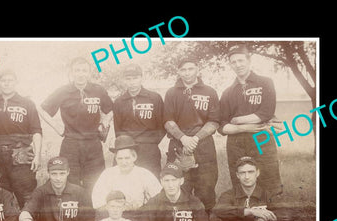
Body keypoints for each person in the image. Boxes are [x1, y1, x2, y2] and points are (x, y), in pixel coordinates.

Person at [39, 57, 113, 194]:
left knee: (95, 183)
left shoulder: (98, 90)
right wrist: (57, 127)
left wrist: (106, 121)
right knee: (71, 183)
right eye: (77, 70)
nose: (80, 74)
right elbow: (42, 109)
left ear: (89, 73)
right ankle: (73, 214)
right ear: (71, 73)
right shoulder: (63, 91)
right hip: (71, 143)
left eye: (84, 70)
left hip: (93, 143)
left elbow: (111, 109)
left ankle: (91, 214)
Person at [219, 44, 283, 196]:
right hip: (236, 143)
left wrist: (236, 120)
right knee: (241, 181)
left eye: (241, 60)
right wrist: (244, 127)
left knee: (269, 178)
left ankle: (271, 217)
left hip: (261, 138)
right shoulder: (227, 92)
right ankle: (245, 217)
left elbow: (266, 113)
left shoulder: (265, 82)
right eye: (233, 62)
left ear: (249, 60)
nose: (238, 65)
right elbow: (221, 125)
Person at [163, 57, 221, 212]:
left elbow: (214, 121)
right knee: (180, 187)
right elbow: (168, 121)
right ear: (178, 71)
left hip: (204, 146)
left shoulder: (210, 91)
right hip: (178, 145)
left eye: (190, 69)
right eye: (183, 69)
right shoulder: (171, 93)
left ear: (198, 69)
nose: (187, 73)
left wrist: (195, 138)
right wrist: (183, 138)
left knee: (206, 189)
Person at [0, 68, 42, 208]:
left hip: (20, 154)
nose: (7, 83)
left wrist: (37, 156)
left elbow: (37, 131)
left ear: (16, 82)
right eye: (3, 80)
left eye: (10, 80)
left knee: (26, 196)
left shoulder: (27, 103)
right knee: (1, 195)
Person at [113, 63, 165, 177]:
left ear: (141, 78)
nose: (132, 82)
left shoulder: (154, 98)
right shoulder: (119, 102)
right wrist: (126, 145)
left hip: (149, 148)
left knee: (151, 182)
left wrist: (150, 142)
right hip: (127, 148)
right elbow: (118, 130)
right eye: (128, 78)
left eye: (135, 78)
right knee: (123, 182)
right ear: (124, 80)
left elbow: (162, 126)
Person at [91, 135, 162, 215]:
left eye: (127, 158)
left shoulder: (144, 174)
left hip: (138, 217)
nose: (124, 162)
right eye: (120, 158)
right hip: (112, 217)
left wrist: (138, 209)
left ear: (134, 157)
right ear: (116, 158)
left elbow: (159, 198)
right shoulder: (107, 174)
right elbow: (97, 203)